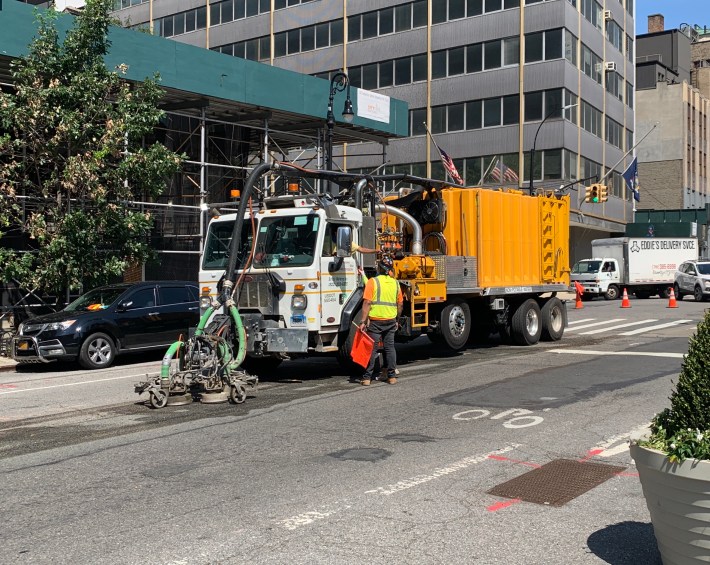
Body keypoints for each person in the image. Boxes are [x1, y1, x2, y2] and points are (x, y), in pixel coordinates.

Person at [358, 256, 403, 386]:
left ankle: (367, 378)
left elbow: (367, 302)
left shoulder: (373, 282)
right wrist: (397, 319)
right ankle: (392, 377)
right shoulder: (396, 283)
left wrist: (362, 321)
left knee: (372, 350)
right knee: (390, 348)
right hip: (390, 320)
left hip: (376, 321)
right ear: (390, 270)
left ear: (379, 268)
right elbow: (400, 304)